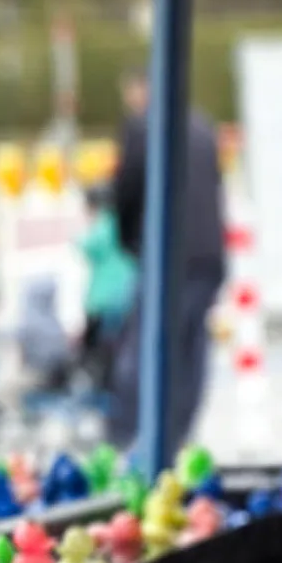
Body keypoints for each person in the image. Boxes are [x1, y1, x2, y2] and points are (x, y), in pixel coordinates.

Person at [105, 67, 227, 455]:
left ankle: (135, 441)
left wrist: (128, 242)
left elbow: (125, 193)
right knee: (191, 350)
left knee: (145, 350)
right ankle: (179, 435)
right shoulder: (203, 125)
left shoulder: (144, 128)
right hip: (209, 255)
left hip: (167, 254)